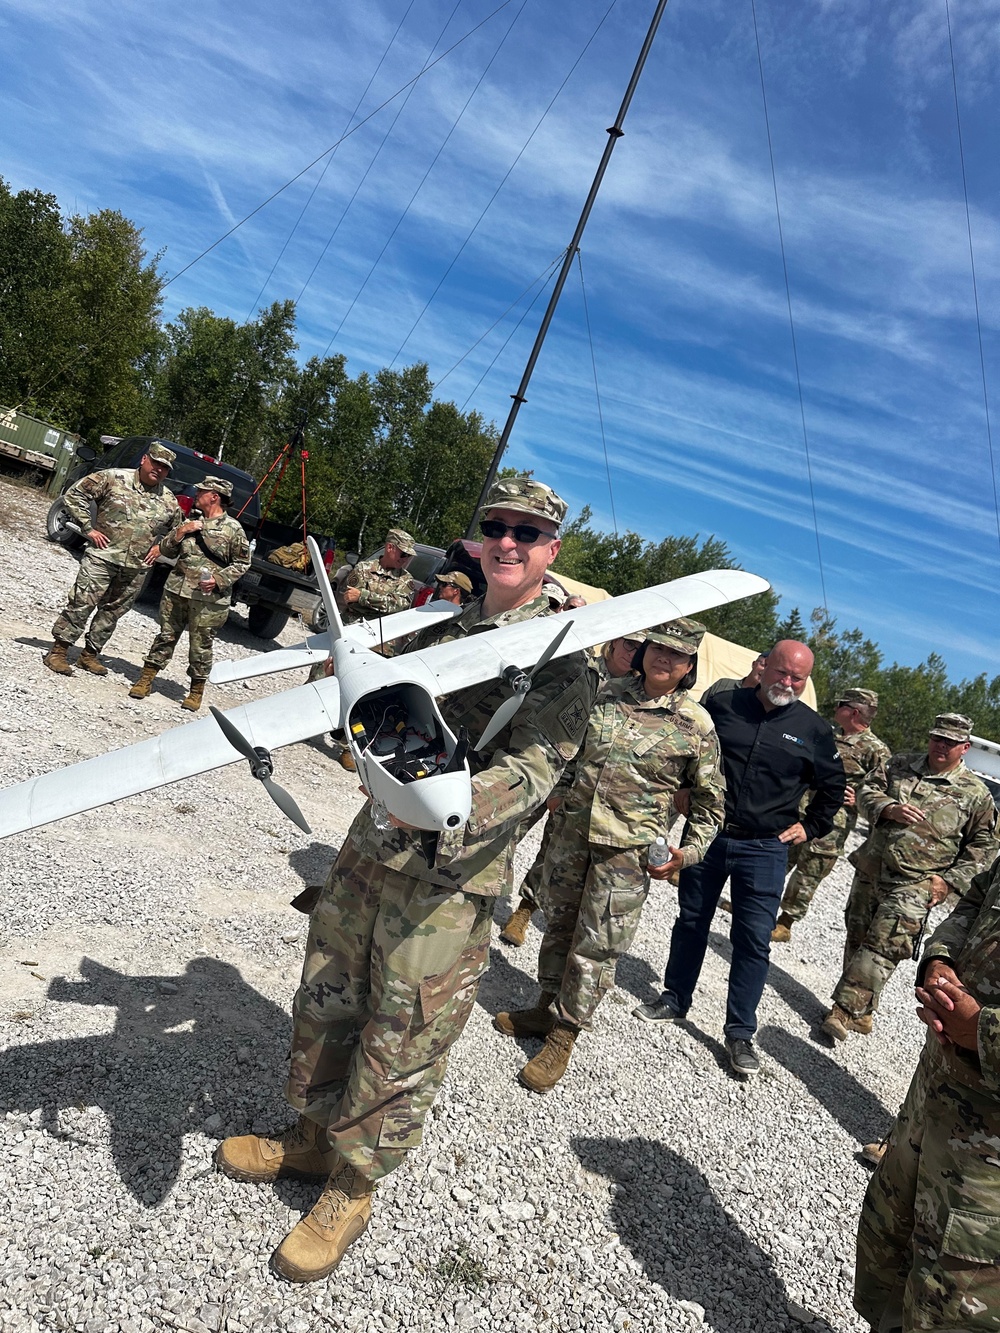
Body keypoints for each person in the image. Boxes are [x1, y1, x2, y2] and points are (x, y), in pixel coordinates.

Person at [215, 475, 599, 1284]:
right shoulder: (438, 628)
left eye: (527, 533)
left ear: (550, 551)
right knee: (329, 994)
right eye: (495, 525)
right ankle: (315, 1141)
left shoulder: (565, 660)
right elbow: (379, 707)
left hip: (453, 880)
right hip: (369, 854)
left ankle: (352, 1189)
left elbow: (535, 773)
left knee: (405, 1032)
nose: (508, 542)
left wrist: (437, 801)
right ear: (475, 538)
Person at [494, 619, 725, 1094]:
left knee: (597, 943)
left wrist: (688, 853)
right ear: (643, 650)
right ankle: (545, 1005)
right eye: (658, 647)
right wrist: (556, 792)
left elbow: (711, 800)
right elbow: (566, 753)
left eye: (677, 655)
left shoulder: (695, 723)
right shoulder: (605, 693)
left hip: (626, 853)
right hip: (572, 835)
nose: (665, 658)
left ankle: (565, 1033)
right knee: (559, 921)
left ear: (689, 666)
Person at [635, 640, 845, 1076]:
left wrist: (811, 827)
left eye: (798, 678)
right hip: (709, 837)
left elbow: (833, 789)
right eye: (783, 672)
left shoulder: (814, 730)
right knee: (692, 920)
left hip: (766, 849)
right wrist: (681, 788)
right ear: (764, 667)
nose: (788, 683)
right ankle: (674, 998)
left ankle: (740, 1033)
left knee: (752, 941)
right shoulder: (723, 704)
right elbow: (688, 751)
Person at [854, 850, 1000, 1332]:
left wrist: (984, 1032)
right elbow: (975, 901)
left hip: (985, 1170)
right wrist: (939, 961)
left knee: (952, 1306)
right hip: (933, 1100)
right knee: (892, 1257)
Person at [822, 714, 998, 1043]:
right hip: (872, 869)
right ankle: (864, 1009)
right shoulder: (899, 764)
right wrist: (887, 807)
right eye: (937, 738)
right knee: (858, 936)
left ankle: (843, 1011)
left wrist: (949, 882)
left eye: (950, 742)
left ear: (965, 747)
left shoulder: (976, 795)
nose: (941, 746)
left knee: (884, 945)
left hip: (917, 884)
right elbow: (865, 791)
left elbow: (985, 848)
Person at [499, 630, 645, 948]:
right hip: (539, 760)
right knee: (506, 829)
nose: (633, 653)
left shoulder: (635, 694)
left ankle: (523, 911)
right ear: (615, 642)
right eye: (629, 644)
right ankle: (484, 890)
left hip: (577, 784)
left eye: (640, 649)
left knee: (552, 851)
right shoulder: (582, 666)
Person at [44, 442, 181, 676]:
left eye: (164, 467)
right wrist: (88, 528)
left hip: (136, 567)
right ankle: (58, 651)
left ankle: (89, 655)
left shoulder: (168, 499)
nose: (158, 470)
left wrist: (161, 548)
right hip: (102, 557)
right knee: (81, 603)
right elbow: (75, 495)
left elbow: (178, 530)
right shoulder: (114, 478)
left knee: (112, 612)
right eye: (155, 463)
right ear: (144, 460)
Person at [772, 688, 890, 943]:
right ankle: (760, 907)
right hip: (798, 810)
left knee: (809, 871)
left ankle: (785, 923)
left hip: (832, 823)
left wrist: (858, 800)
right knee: (778, 858)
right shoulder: (827, 735)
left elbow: (884, 790)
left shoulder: (876, 750)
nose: (835, 708)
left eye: (841, 704)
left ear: (854, 711)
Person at [128, 477, 251, 711]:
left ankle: (196, 692)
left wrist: (218, 579)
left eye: (202, 491)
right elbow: (165, 548)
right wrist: (181, 531)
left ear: (214, 496)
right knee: (165, 636)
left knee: (200, 645)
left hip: (208, 600)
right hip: (176, 591)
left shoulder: (233, 529)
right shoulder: (191, 521)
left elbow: (243, 563)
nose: (197, 494)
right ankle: (146, 679)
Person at [700, 650, 769, 704]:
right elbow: (700, 708)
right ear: (754, 664)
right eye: (763, 665)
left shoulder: (763, 702)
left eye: (769, 669)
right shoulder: (723, 684)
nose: (764, 671)